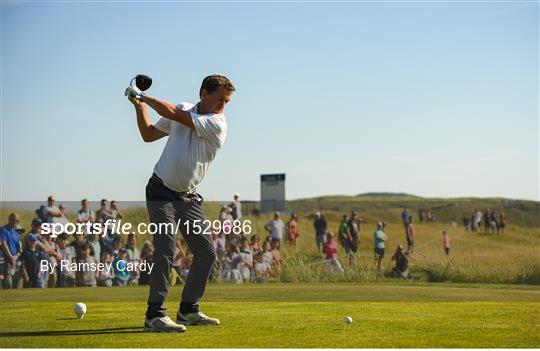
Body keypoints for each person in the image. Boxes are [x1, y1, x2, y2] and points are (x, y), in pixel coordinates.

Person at [126, 74, 235, 331]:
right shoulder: (185, 108)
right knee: (165, 249)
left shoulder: (217, 123)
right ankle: (155, 315)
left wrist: (142, 95)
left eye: (227, 101)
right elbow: (149, 134)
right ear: (203, 94)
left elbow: (175, 114)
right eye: (220, 99)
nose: (223, 106)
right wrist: (138, 106)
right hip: (160, 191)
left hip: (188, 197)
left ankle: (188, 309)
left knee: (206, 254)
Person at [0, 213, 22, 289]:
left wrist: (15, 256)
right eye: (13, 220)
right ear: (9, 219)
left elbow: (19, 250)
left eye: (17, 221)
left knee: (17, 285)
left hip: (15, 260)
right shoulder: (3, 230)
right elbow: (3, 244)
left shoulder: (16, 234)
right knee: (8, 283)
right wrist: (10, 257)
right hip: (6, 260)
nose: (15, 222)